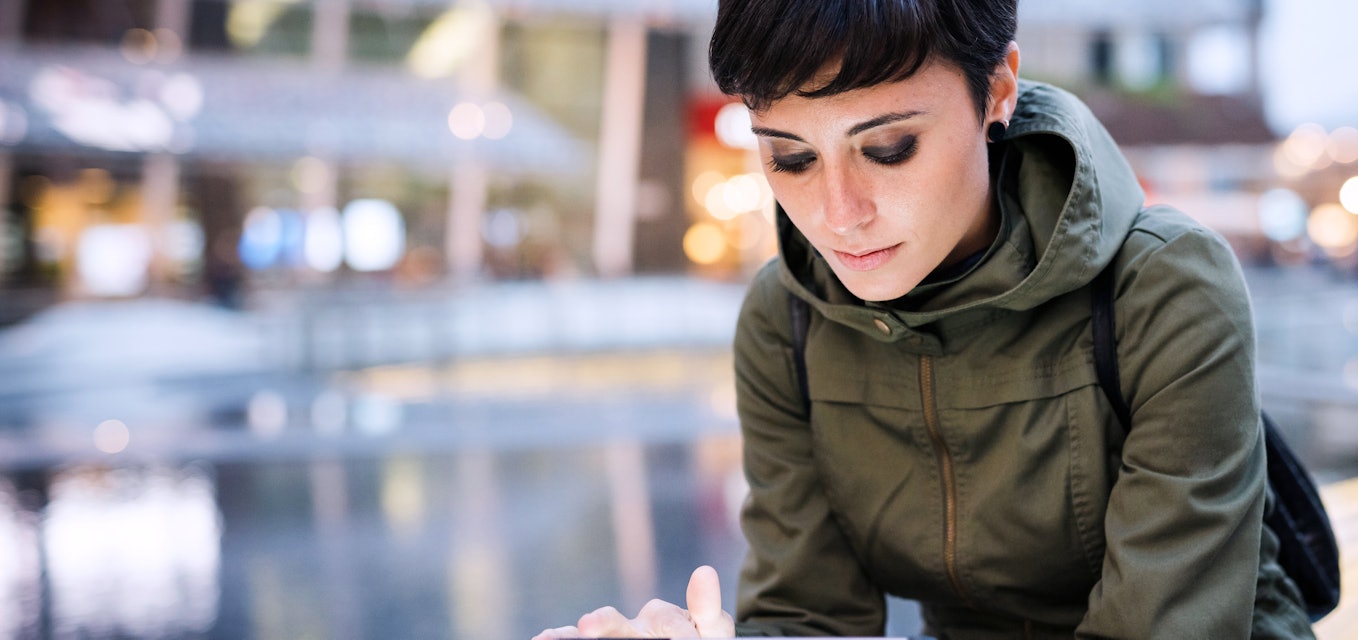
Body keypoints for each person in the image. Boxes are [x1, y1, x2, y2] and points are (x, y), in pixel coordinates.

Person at [535, 0, 1316, 637]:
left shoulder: (1165, 285)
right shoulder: (787, 320)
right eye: (792, 158)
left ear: (999, 88)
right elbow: (811, 618)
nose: (839, 216)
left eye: (891, 147)